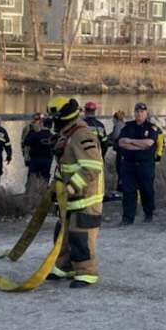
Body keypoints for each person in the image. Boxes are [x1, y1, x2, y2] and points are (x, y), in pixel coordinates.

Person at [46, 98, 104, 288]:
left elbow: (92, 168)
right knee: (62, 234)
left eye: (54, 118)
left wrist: (70, 188)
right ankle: (64, 267)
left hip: (86, 199)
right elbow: (65, 167)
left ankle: (87, 273)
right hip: (70, 199)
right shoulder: (67, 135)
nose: (52, 122)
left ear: (62, 117)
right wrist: (57, 189)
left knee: (80, 236)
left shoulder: (81, 134)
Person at [116, 101, 161, 225]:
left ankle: (148, 214)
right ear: (134, 113)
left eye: (142, 111)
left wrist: (130, 141)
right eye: (137, 111)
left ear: (146, 113)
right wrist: (139, 145)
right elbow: (121, 143)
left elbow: (149, 143)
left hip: (145, 165)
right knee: (128, 192)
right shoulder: (127, 126)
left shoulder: (152, 127)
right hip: (129, 165)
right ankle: (127, 218)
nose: (139, 114)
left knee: (146, 190)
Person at [22, 113, 55, 183]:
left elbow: (25, 142)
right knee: (42, 177)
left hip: (36, 159)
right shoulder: (52, 136)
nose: (38, 121)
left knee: (34, 177)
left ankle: (32, 191)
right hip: (44, 159)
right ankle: (41, 191)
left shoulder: (35, 133)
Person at [108, 110, 126, 192]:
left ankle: (121, 188)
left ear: (115, 118)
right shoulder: (123, 124)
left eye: (113, 119)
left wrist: (109, 141)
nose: (112, 121)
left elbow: (115, 136)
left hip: (121, 150)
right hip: (124, 150)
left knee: (120, 168)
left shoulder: (118, 125)